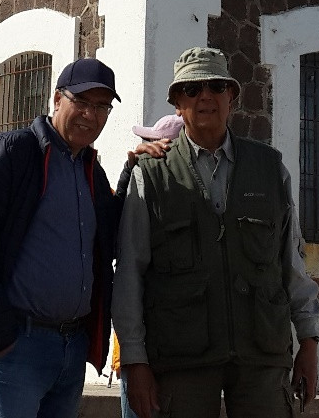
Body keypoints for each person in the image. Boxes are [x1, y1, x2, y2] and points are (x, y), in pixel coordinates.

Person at [113, 47, 319, 417]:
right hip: (181, 356)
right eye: (192, 89)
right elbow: (129, 272)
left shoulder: (270, 168)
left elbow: (292, 262)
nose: (205, 96)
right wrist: (134, 359)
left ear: (232, 97)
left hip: (261, 353)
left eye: (216, 86)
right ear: (177, 104)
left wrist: (309, 340)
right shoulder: (151, 174)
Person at [0, 58, 123, 418]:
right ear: (57, 99)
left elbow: (110, 240)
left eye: (101, 107)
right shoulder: (12, 152)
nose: (90, 115)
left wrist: (137, 169)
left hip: (71, 350)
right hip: (17, 347)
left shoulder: (92, 172)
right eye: (81, 102)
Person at [112, 115, 183, 418]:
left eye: (152, 142)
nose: (144, 147)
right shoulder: (139, 180)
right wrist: (130, 169)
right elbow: (114, 234)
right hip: (138, 347)